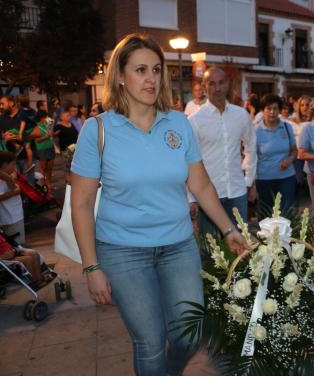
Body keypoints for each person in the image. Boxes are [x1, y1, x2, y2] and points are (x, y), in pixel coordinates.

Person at [70, 33, 247, 376]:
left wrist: (229, 229)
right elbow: (81, 204)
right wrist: (91, 268)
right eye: (140, 70)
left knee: (190, 333)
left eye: (155, 69)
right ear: (120, 75)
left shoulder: (178, 123)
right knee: (149, 341)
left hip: (179, 245)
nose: (151, 78)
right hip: (122, 252)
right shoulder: (97, 130)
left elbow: (201, 184)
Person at [188, 67, 257, 233]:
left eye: (221, 83)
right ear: (204, 87)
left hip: (237, 192)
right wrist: (191, 198)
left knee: (241, 246)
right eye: (212, 84)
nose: (217, 88)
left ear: (228, 85)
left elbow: (251, 148)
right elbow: (189, 161)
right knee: (213, 252)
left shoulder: (241, 115)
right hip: (208, 197)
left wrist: (249, 180)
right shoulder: (194, 121)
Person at [254, 94, 297, 214]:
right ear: (263, 110)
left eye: (275, 108)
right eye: (268, 108)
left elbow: (294, 150)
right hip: (264, 179)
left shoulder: (287, 127)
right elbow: (252, 157)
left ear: (279, 110)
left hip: (286, 178)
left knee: (287, 214)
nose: (272, 112)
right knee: (266, 216)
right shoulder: (256, 131)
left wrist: (290, 159)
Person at [0, 151, 26, 246]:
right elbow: (14, 190)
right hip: (9, 218)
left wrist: (9, 179)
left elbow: (14, 188)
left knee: (19, 243)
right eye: (13, 164)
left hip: (15, 215)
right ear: (5, 164)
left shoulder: (10, 175)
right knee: (17, 245)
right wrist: (13, 192)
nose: (14, 167)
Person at [53, 110, 78, 184]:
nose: (69, 117)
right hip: (65, 148)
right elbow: (53, 134)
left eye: (69, 115)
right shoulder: (59, 125)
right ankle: (68, 179)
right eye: (67, 116)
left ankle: (73, 178)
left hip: (74, 147)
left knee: (73, 164)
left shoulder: (71, 124)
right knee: (67, 164)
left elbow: (76, 133)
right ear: (62, 117)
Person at [33, 110, 55, 188]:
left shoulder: (47, 125)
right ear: (41, 118)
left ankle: (49, 184)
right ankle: (43, 185)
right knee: (43, 168)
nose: (46, 118)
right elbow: (37, 140)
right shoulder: (36, 126)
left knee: (50, 168)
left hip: (50, 147)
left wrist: (53, 134)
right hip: (42, 149)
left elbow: (50, 134)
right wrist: (47, 136)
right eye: (45, 117)